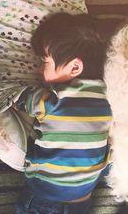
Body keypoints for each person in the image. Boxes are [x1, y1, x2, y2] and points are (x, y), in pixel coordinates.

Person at [12, 13, 112, 214]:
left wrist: (16, 97)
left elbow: (20, 100)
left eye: (44, 62)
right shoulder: (108, 96)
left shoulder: (54, 99)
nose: (40, 70)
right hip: (82, 198)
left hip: (45, 196)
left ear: (75, 66)